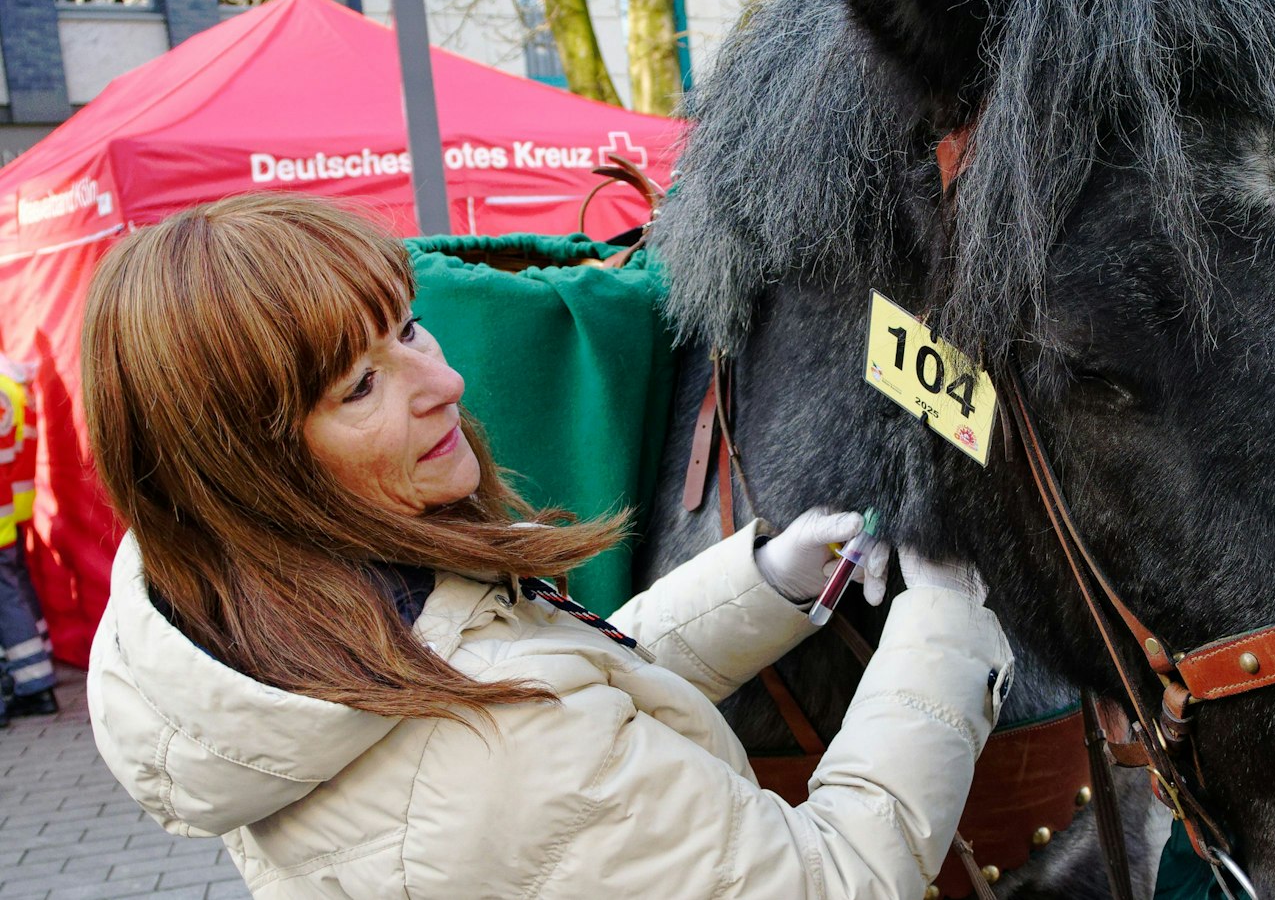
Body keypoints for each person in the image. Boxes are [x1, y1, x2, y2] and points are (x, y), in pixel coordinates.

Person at [82, 193, 1010, 898]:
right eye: (360, 385)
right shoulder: (501, 758)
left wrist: (763, 582)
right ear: (252, 465)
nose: (442, 380)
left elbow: (550, 685)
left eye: (407, 327)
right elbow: (833, 879)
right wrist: (945, 616)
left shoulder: (264, 614)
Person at [0, 344, 56, 725]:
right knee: (13, 585)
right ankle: (36, 669)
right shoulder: (13, 387)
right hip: (9, 504)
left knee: (7, 593)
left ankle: (33, 681)